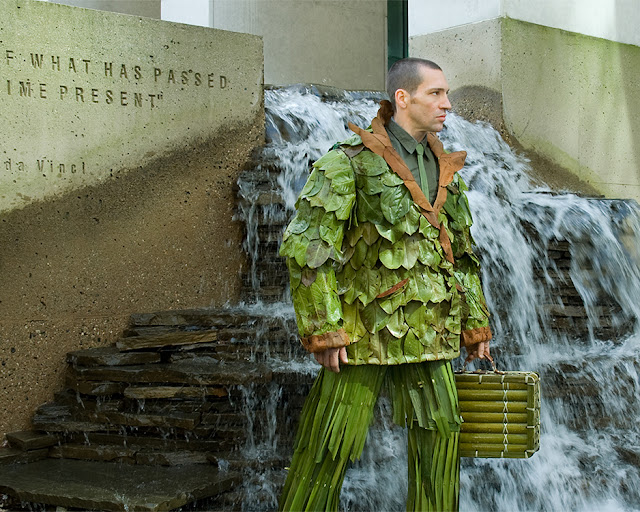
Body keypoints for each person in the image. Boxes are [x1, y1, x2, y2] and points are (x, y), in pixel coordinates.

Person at [278, 58, 492, 511]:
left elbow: (462, 255)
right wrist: (324, 328)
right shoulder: (347, 162)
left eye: (446, 93)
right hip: (362, 337)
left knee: (440, 449)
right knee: (328, 448)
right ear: (403, 98)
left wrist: (475, 326)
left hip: (433, 334)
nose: (447, 104)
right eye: (435, 93)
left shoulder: (446, 170)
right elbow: (307, 249)